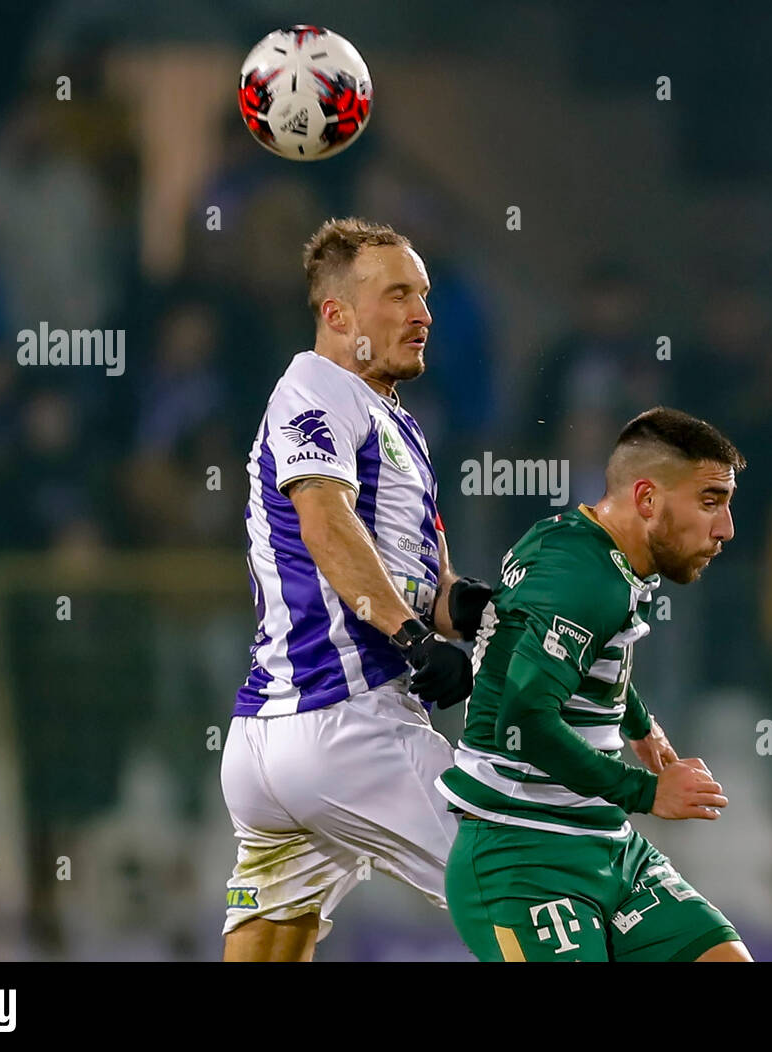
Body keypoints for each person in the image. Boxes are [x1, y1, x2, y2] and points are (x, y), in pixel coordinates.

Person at [219, 217, 492, 961]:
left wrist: (468, 608)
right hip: (347, 722)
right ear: (337, 314)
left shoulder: (393, 420)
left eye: (425, 295)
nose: (423, 314)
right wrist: (413, 640)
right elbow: (326, 527)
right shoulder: (316, 388)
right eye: (398, 294)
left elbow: (422, 581)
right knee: (521, 888)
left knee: (272, 948)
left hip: (268, 741)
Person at [437, 407, 754, 961]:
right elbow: (524, 720)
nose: (726, 528)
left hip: (607, 846)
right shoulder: (583, 581)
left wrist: (636, 721)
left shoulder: (586, 546)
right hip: (524, 855)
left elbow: (578, 656)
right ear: (648, 499)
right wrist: (647, 791)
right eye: (710, 502)